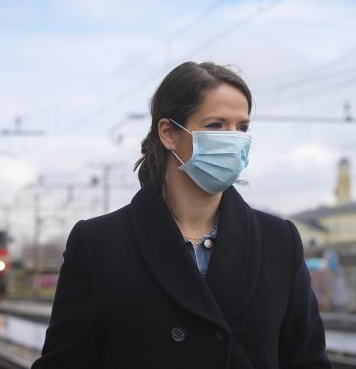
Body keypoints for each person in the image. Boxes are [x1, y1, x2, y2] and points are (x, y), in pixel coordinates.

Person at [32, 61, 331, 368]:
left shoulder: (278, 240)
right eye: (216, 125)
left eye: (241, 128)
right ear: (168, 133)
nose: (234, 139)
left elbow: (307, 360)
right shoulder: (99, 244)